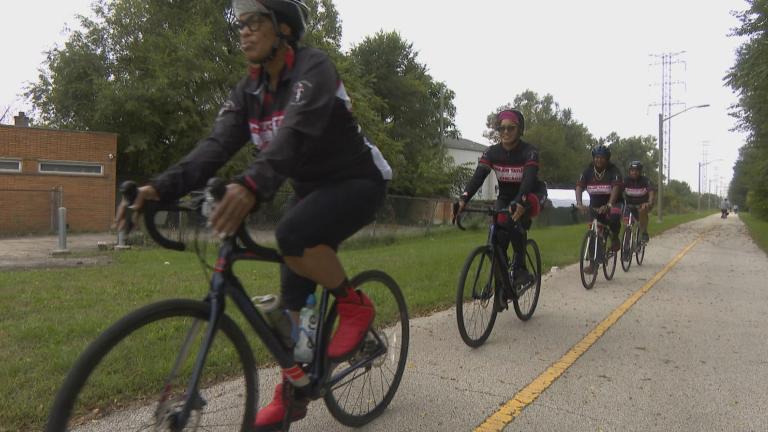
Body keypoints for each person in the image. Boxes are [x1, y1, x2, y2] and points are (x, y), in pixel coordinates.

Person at [114, 1, 393, 429]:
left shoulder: (313, 69)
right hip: (310, 191)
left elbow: (296, 132)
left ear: (283, 29)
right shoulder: (248, 91)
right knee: (291, 298)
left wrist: (249, 187)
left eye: (254, 22)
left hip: (358, 181)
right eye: (239, 25)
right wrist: (159, 189)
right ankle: (297, 388)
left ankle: (355, 306)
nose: (243, 31)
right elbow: (214, 147)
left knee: (292, 235)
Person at [456, 109, 545, 288]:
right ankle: (503, 280)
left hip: (531, 195)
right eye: (501, 128)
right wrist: (464, 198)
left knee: (514, 221)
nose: (505, 132)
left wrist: (520, 201)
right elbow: (478, 176)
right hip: (505, 196)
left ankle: (521, 269)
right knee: (498, 232)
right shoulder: (492, 152)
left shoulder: (530, 152)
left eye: (510, 128)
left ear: (520, 130)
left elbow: (528, 179)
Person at [575, 145, 623, 271]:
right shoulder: (588, 171)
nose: (598, 160)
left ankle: (615, 238)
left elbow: (616, 188)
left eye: (602, 158)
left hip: (613, 202)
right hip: (595, 205)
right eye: (596, 157)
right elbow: (579, 186)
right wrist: (579, 203)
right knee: (593, 230)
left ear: (607, 159)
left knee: (613, 217)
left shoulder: (614, 171)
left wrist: (609, 205)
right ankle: (593, 264)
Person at [622, 161, 655, 243]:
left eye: (636, 170)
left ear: (640, 171)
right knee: (627, 225)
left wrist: (649, 202)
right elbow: (618, 191)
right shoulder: (625, 180)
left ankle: (644, 233)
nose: (634, 172)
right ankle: (626, 245)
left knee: (642, 210)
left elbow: (651, 192)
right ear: (629, 171)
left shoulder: (645, 181)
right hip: (629, 205)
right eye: (632, 170)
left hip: (642, 205)